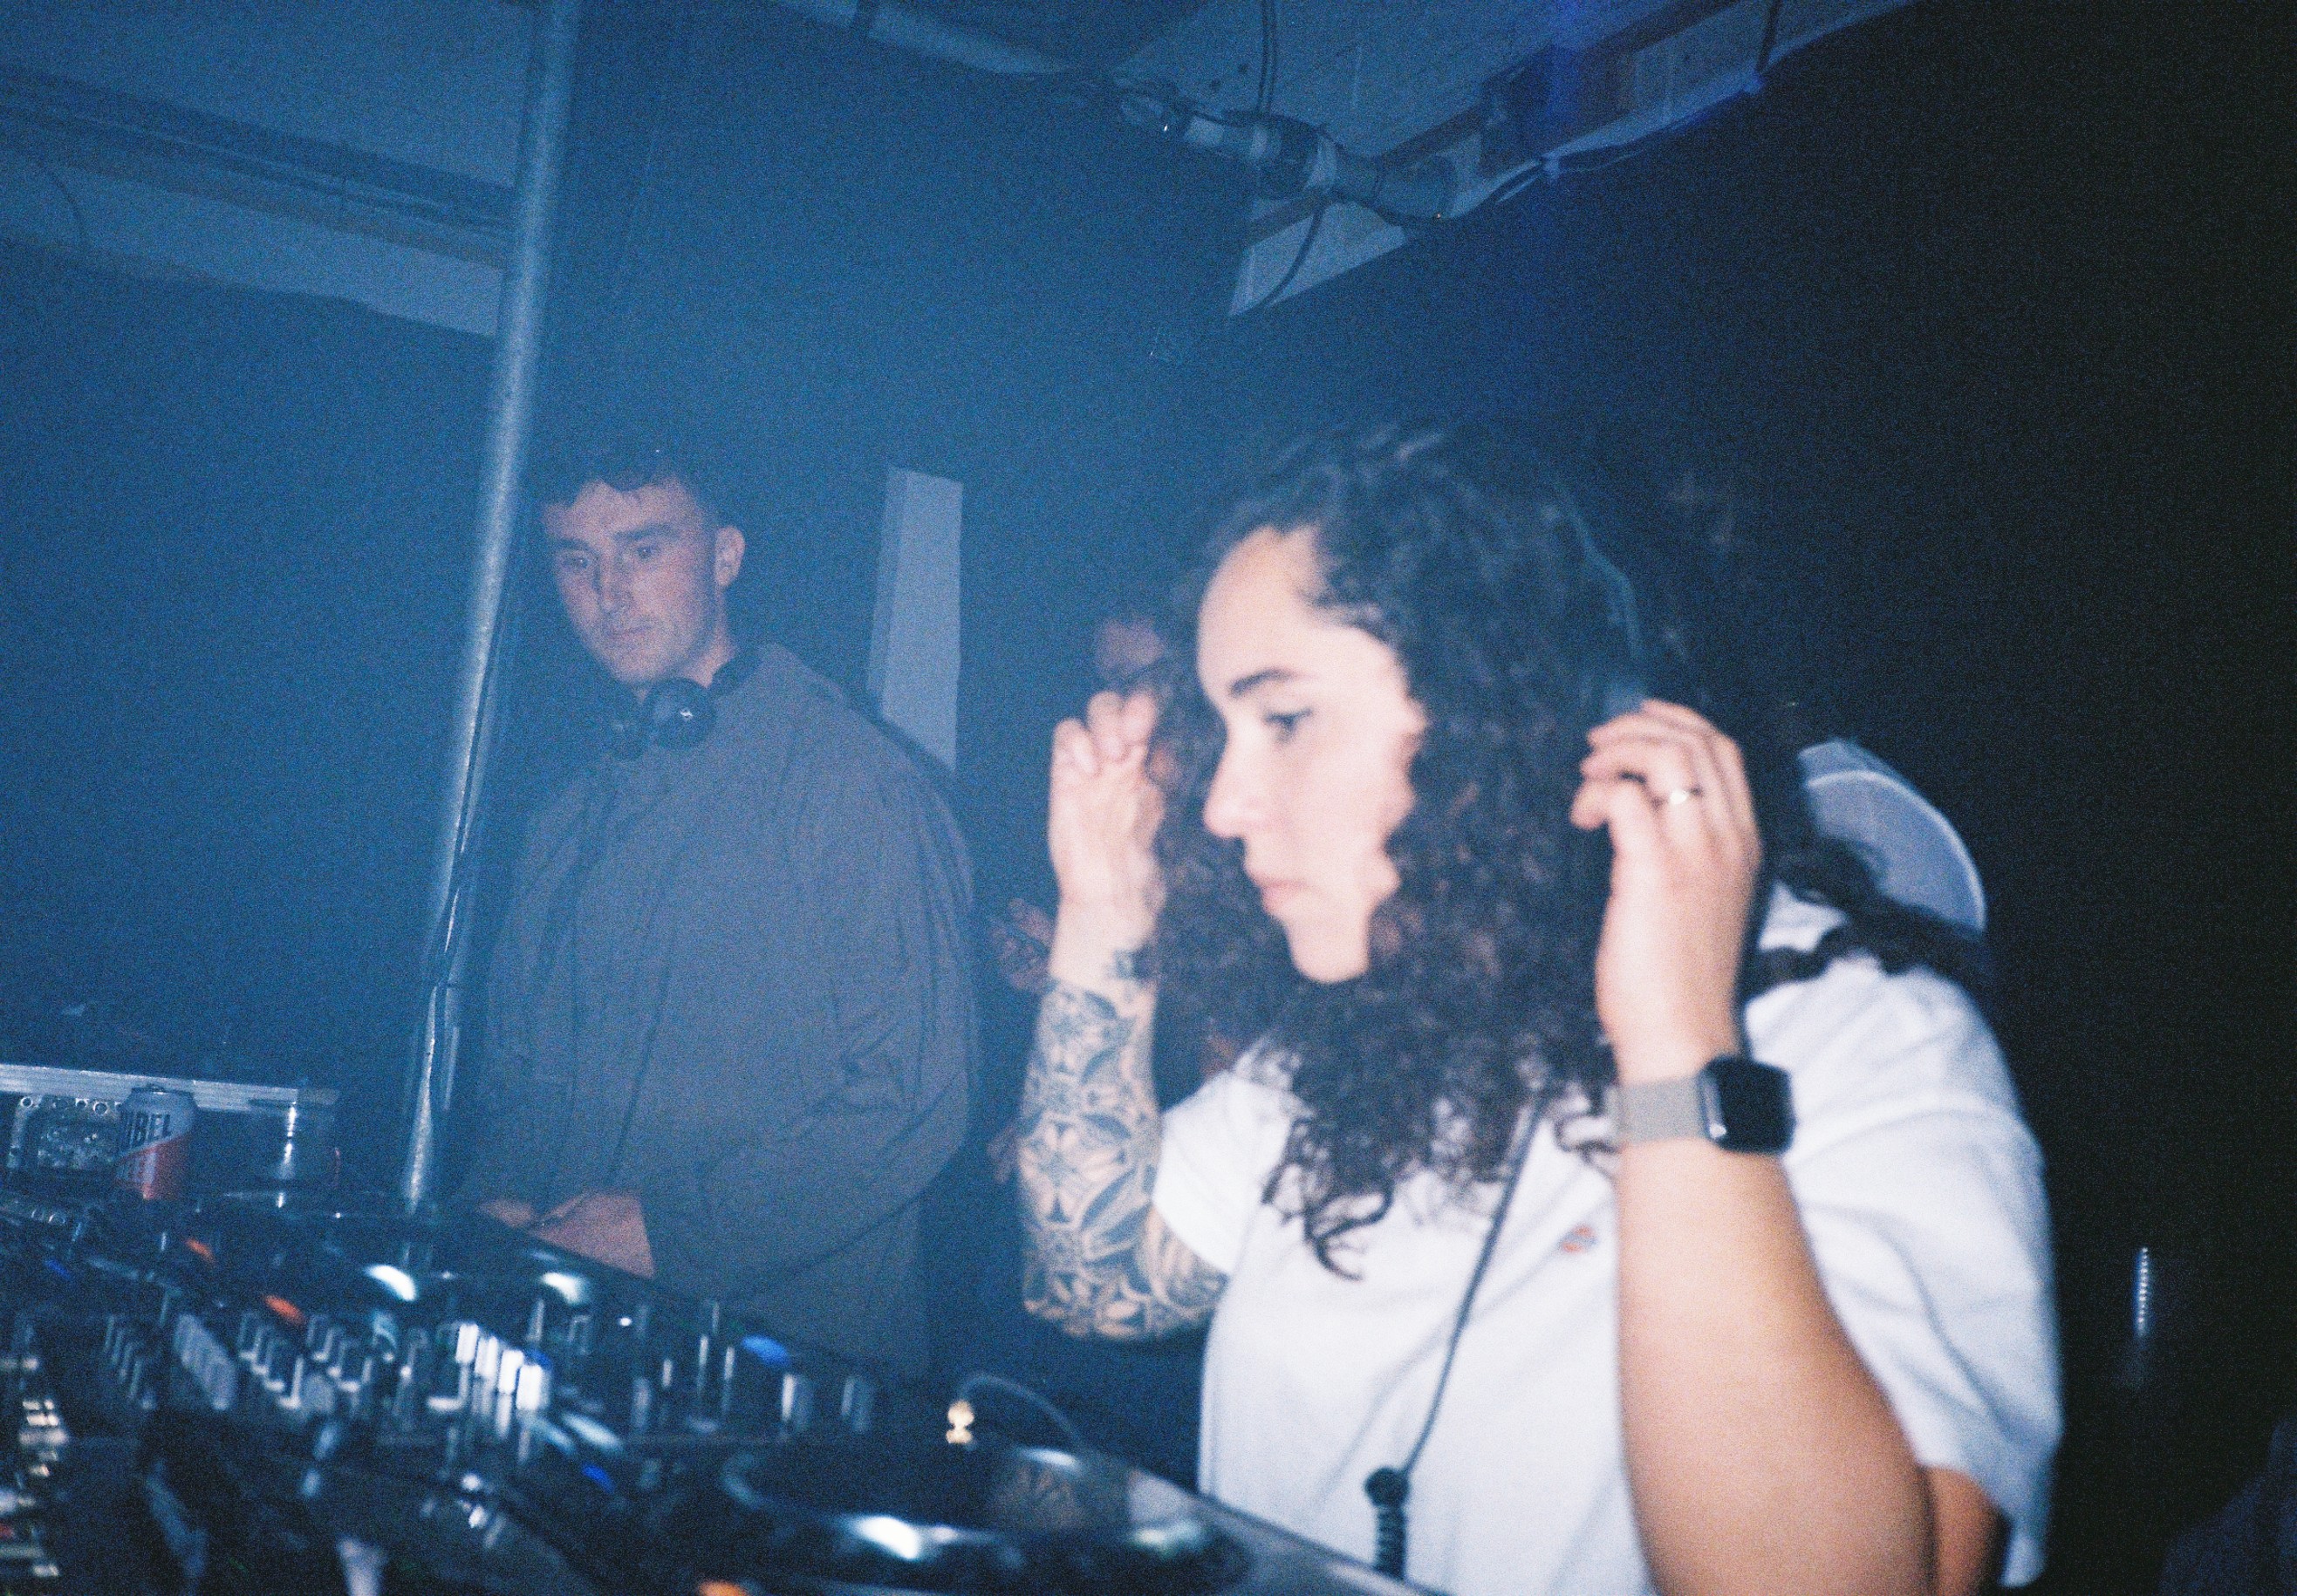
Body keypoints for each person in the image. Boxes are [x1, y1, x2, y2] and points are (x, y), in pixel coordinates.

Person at [1015, 421, 2056, 1596]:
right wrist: (1104, 910)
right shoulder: (1363, 1029)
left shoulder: (1862, 1036)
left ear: (1505, 701)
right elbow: (1092, 1278)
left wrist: (1675, 1051)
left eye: (1286, 719)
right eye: (1225, 730)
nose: (1222, 804)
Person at [462, 440, 972, 1377]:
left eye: (643, 549)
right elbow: (519, 1075)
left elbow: (914, 1100)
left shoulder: (852, 785)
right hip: (574, 1343)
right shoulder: (569, 814)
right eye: (577, 560)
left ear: (726, 556)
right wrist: (500, 1199)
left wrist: (667, 1232)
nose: (609, 593)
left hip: (779, 1375)